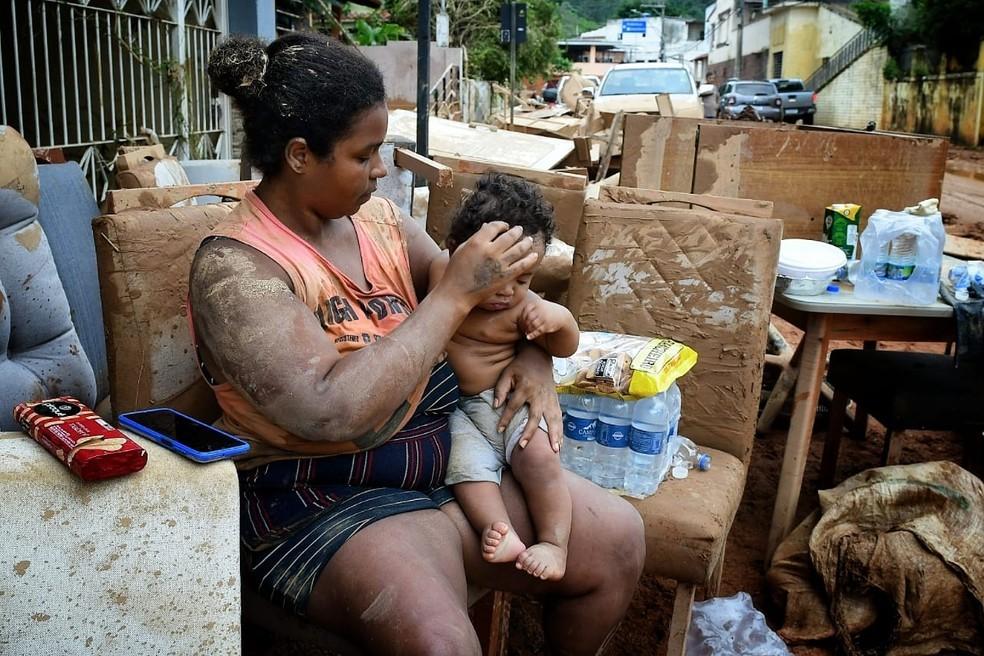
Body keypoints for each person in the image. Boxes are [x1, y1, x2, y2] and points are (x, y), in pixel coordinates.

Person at [190, 33, 644, 656]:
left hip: (442, 460)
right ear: (300, 155)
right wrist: (451, 296)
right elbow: (327, 411)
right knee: (439, 645)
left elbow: (493, 302)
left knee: (618, 539)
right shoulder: (237, 268)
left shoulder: (379, 222)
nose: (381, 170)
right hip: (320, 492)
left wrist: (536, 356)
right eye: (365, 154)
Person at [434, 173, 579, 581]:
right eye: (496, 275)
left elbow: (566, 346)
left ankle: (555, 543)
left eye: (524, 279)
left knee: (541, 458)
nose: (508, 291)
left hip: (504, 404)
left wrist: (559, 319)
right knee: (464, 470)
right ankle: (500, 531)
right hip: (455, 413)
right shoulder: (439, 274)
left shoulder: (524, 309)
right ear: (456, 252)